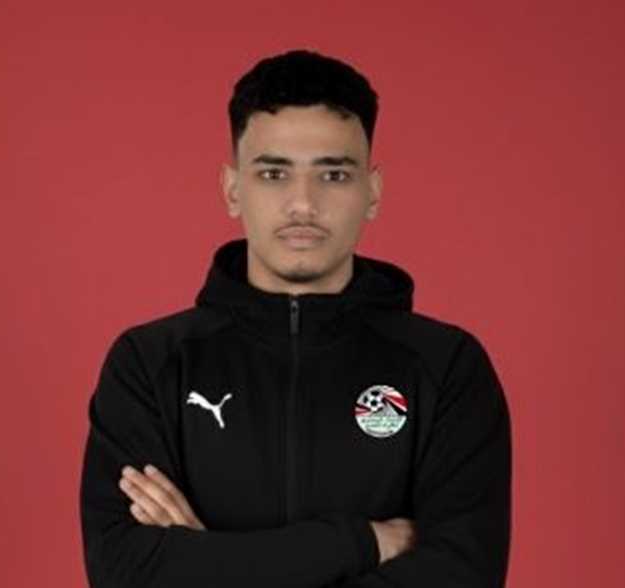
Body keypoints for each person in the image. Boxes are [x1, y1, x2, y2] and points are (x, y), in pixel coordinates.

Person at [79, 48, 513, 587]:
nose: (303, 204)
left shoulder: (446, 368)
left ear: (372, 193)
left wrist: (208, 561)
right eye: (273, 173)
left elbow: (462, 576)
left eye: (333, 174)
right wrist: (363, 542)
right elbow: (125, 573)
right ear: (232, 189)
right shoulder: (151, 365)